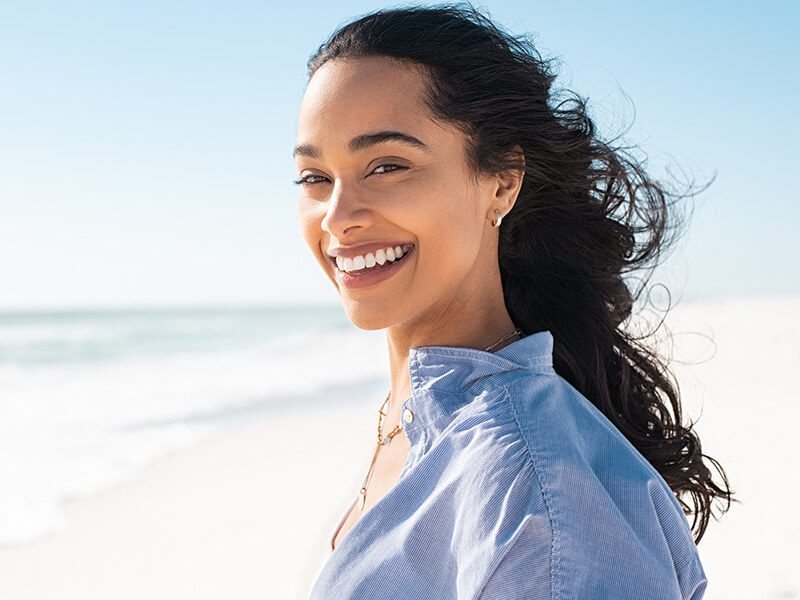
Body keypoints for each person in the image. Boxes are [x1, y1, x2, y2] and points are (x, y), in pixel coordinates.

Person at [292, 4, 733, 599]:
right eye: (315, 177)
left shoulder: (535, 495)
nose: (339, 218)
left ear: (502, 180)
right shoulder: (420, 419)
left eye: (387, 165)